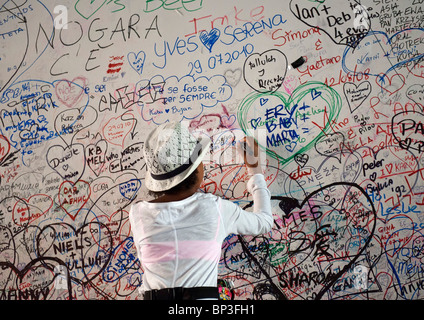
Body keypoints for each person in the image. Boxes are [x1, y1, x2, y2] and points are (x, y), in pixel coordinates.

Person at [129, 121, 273, 300]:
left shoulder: (138, 214)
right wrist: (255, 170)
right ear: (195, 172)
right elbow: (264, 222)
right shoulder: (215, 209)